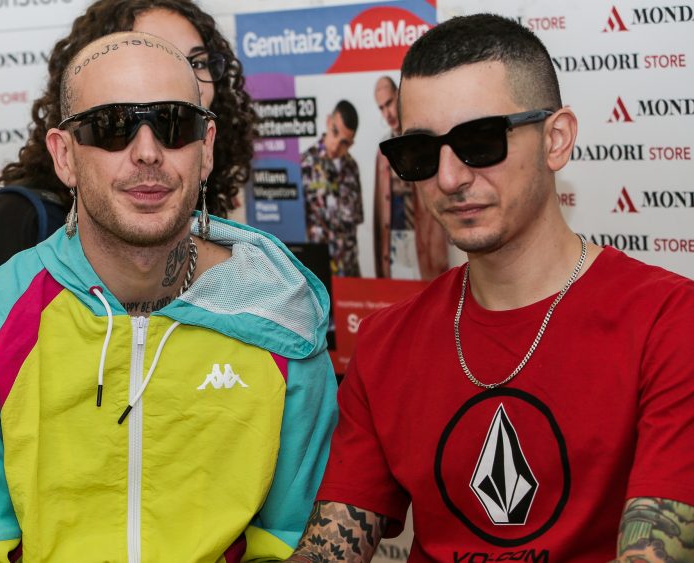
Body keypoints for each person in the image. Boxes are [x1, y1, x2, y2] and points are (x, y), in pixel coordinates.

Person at [0, 31, 336, 562]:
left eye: (173, 124)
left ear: (205, 148)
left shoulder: (279, 317)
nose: (147, 152)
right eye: (112, 126)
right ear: (64, 155)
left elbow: (291, 539)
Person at [287, 13, 694, 562]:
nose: (449, 178)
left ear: (556, 140)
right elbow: (327, 550)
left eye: (480, 141)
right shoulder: (386, 341)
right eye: (420, 152)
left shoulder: (669, 322)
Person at [372, 75, 447, 280]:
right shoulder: (383, 151)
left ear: (398, 95)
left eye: (389, 103)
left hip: (426, 237)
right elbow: (379, 208)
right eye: (381, 108)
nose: (387, 113)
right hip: (395, 241)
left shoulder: (426, 138)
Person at [302, 100, 363, 277]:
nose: (336, 145)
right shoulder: (305, 164)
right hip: (317, 271)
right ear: (329, 121)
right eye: (335, 132)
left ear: (351, 143)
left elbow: (355, 223)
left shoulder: (352, 168)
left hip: (349, 270)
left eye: (344, 142)